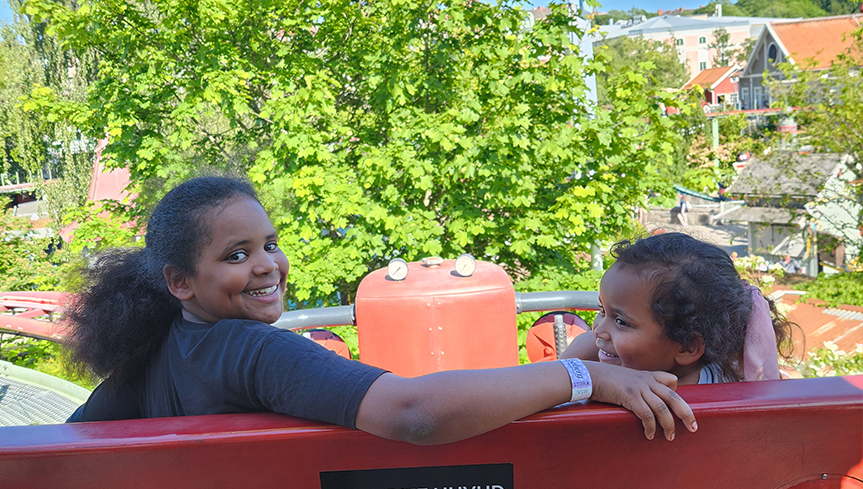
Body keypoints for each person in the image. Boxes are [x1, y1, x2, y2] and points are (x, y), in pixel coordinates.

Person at [65, 176, 697, 444]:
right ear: (179, 281)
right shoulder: (253, 350)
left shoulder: (153, 356)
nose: (266, 266)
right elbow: (413, 413)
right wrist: (589, 377)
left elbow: (63, 442)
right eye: (237, 254)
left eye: (270, 245)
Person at [562, 233, 797, 385]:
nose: (598, 330)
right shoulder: (733, 383)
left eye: (621, 321)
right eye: (602, 310)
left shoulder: (591, 359)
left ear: (687, 347)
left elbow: (555, 377)